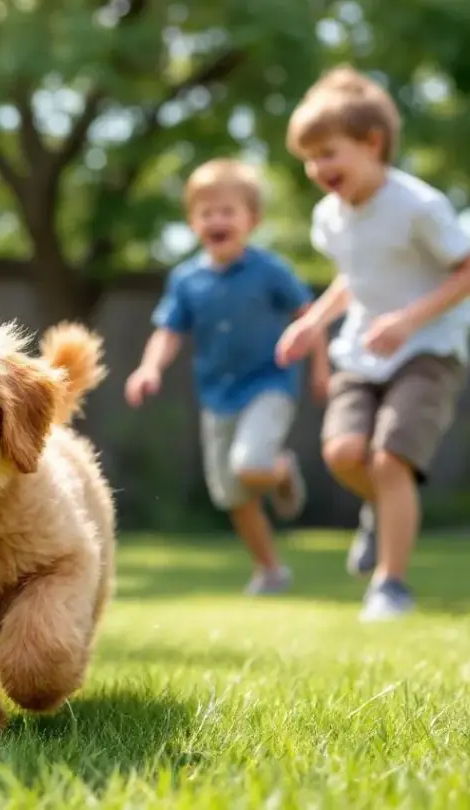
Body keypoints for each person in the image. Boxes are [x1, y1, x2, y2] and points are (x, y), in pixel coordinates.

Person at [276, 66, 470, 622]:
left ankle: (391, 585)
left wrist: (409, 321)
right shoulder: (329, 218)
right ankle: (384, 513)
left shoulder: (419, 206)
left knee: (390, 461)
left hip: (429, 348)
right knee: (342, 453)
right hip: (363, 349)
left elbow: (464, 269)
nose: (317, 169)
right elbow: (354, 278)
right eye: (309, 158)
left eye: (328, 153)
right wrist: (313, 322)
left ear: (372, 143)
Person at [125, 158, 328, 595]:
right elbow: (168, 332)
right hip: (218, 395)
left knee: (250, 465)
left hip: (269, 383)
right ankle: (270, 569)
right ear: (192, 221)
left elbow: (310, 315)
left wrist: (320, 369)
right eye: (206, 213)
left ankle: (277, 468)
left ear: (251, 219)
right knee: (234, 496)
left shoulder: (269, 270)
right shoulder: (186, 280)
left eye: (227, 211)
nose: (216, 220)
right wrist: (149, 367)